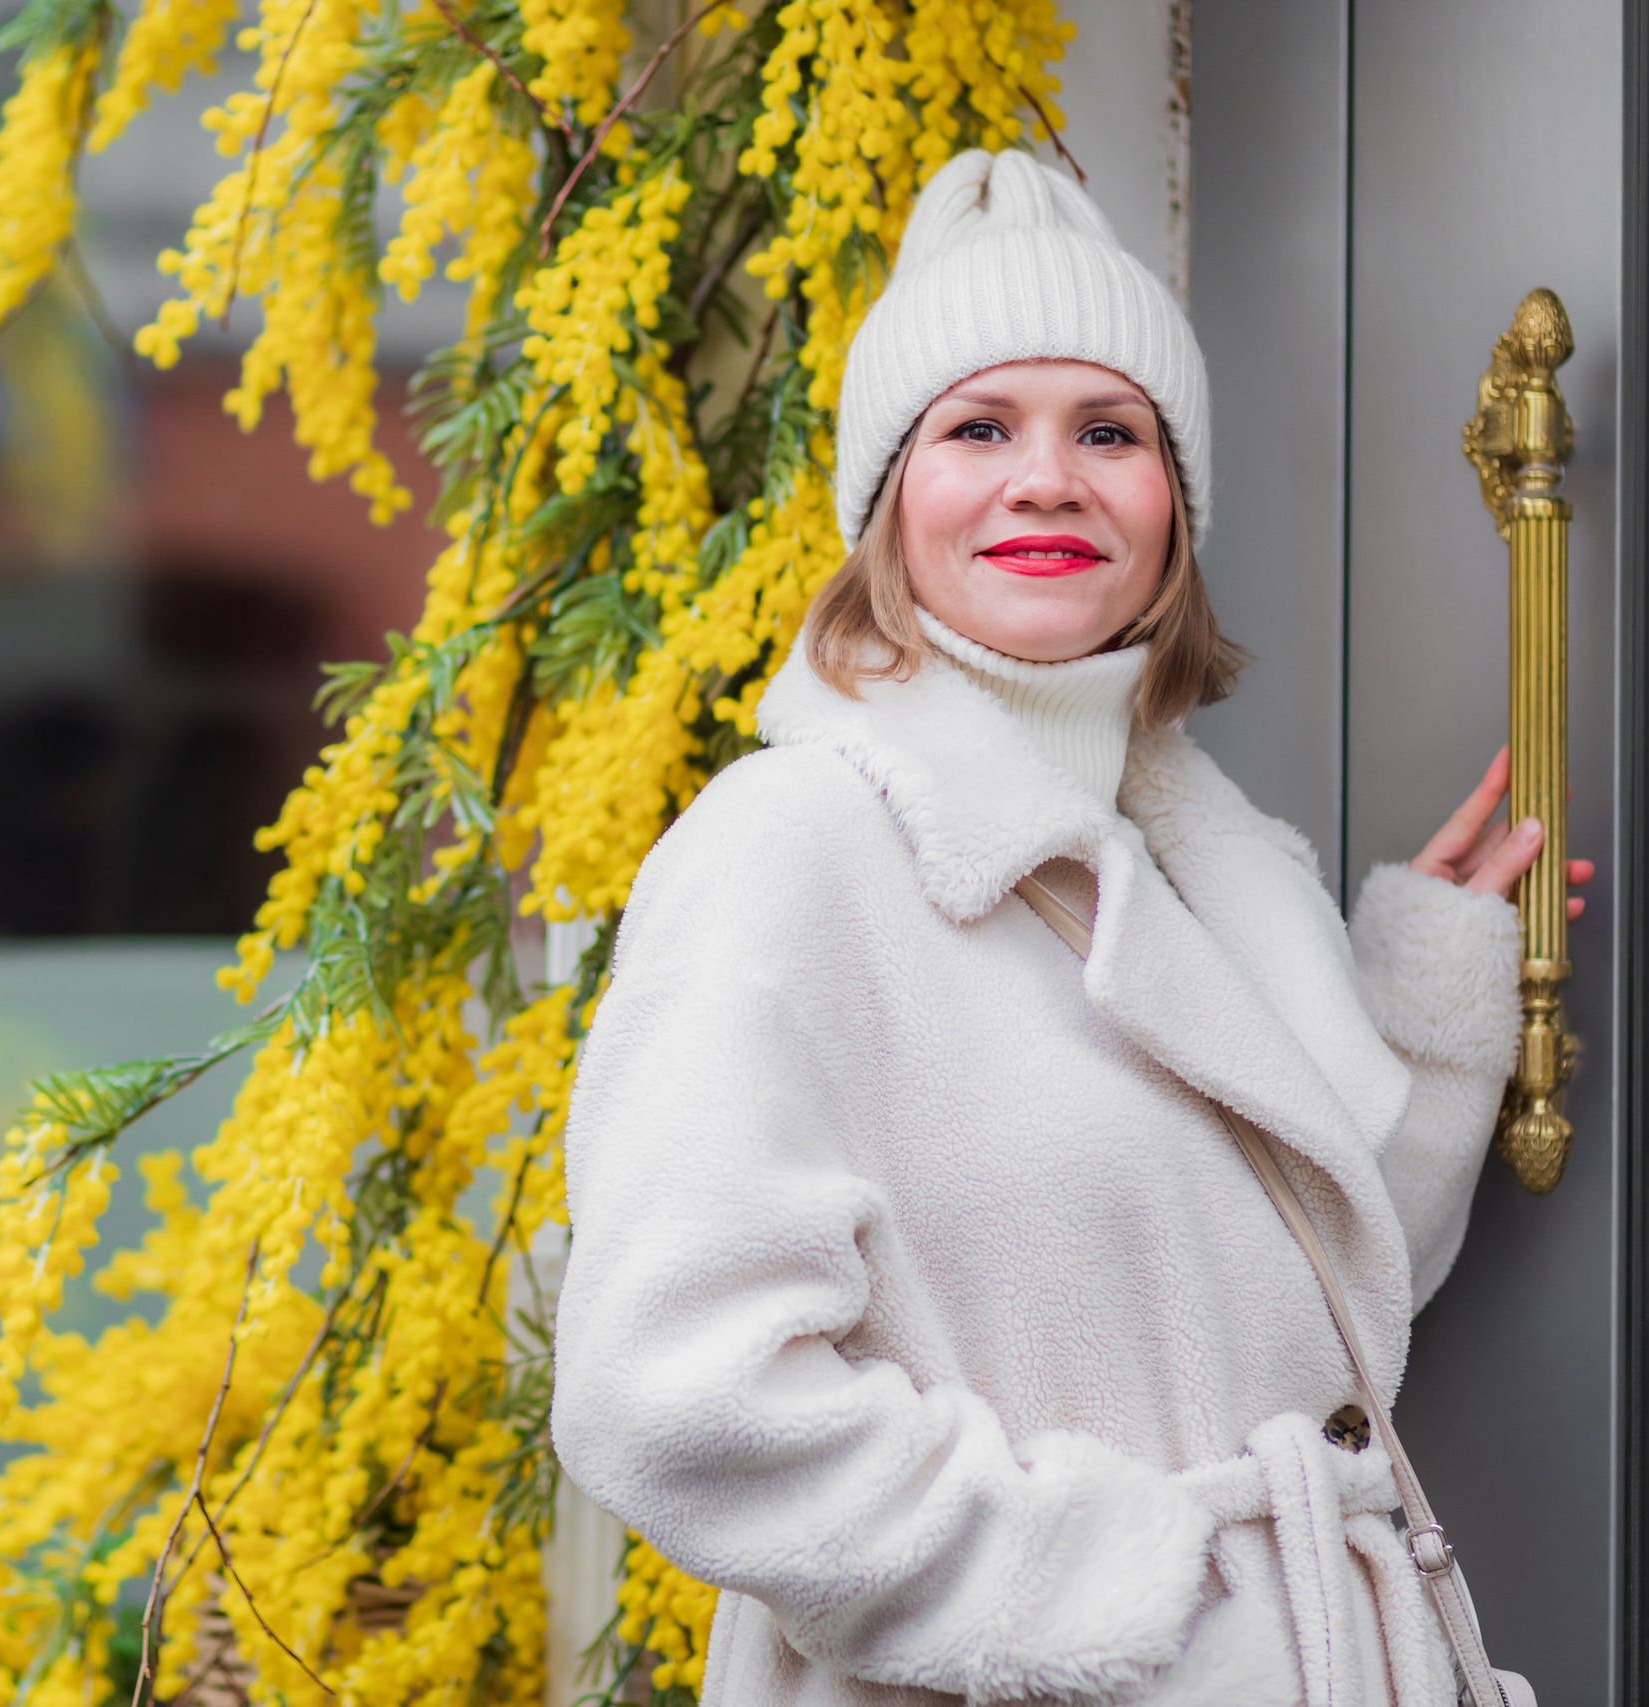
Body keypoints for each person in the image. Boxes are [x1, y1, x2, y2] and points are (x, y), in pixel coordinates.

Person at [549, 149, 1593, 1707]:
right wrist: (1096, 1599)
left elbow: (1318, 1318)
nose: (1050, 478)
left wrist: (1422, 1001)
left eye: (1110, 431)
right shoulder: (794, 852)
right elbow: (676, 1395)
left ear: (1174, 507)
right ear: (887, 499)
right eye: (978, 429)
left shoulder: (1194, 865)